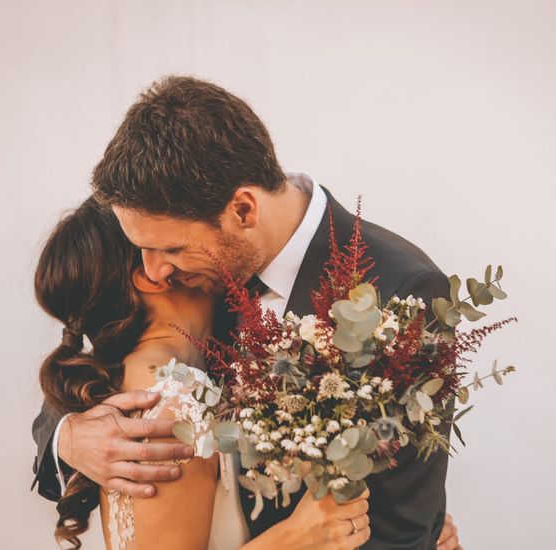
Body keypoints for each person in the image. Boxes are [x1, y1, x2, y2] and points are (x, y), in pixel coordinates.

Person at [32, 75, 462, 549]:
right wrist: (68, 438)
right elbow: (93, 357)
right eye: (143, 251)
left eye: (169, 248)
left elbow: (402, 530)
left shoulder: (398, 292)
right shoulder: (192, 277)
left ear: (242, 210)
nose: (153, 271)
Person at [36, 197, 372, 549]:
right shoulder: (177, 403)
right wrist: (292, 540)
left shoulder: (164, 373)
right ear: (153, 275)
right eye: (175, 243)